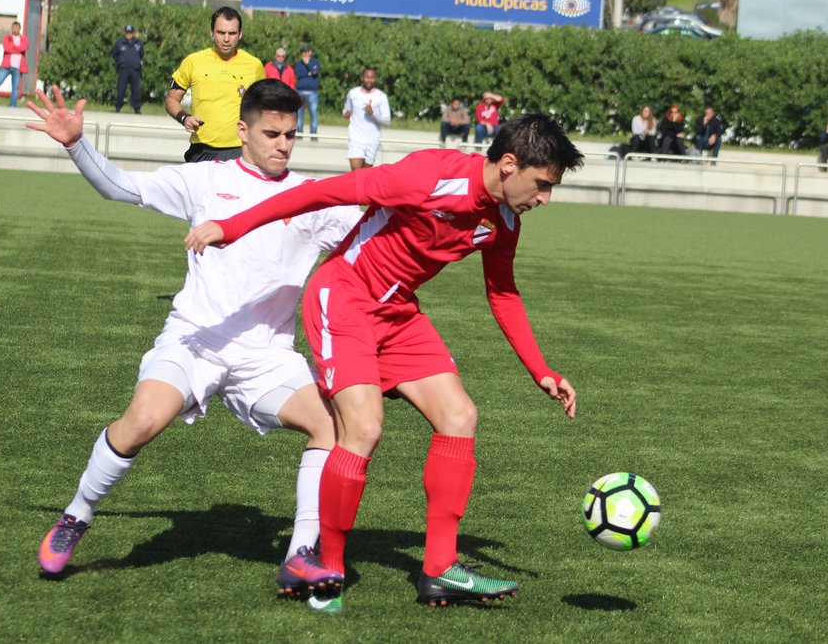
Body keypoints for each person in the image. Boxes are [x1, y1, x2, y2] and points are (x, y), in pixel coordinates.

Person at [184, 113, 583, 614]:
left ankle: (440, 569)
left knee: (460, 416)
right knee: (364, 427)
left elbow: (502, 292)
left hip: (398, 313)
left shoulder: (503, 221)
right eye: (542, 183)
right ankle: (325, 565)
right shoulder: (430, 176)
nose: (545, 198)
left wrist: (541, 370)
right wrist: (233, 225)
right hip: (344, 297)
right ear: (508, 164)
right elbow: (325, 193)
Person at [26, 79, 361, 594]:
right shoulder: (205, 179)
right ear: (242, 131)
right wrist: (76, 144)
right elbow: (121, 187)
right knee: (141, 422)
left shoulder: (312, 197)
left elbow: (374, 235)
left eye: (291, 135)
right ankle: (78, 513)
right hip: (196, 340)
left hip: (268, 357)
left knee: (333, 428)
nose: (283, 145)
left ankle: (300, 554)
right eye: (271, 134)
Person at [166, 6, 265, 163]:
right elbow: (171, 100)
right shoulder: (193, 62)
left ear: (240, 34)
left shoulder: (254, 66)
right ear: (211, 32)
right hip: (202, 151)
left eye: (232, 33)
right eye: (221, 32)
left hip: (240, 152)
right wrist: (185, 118)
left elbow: (263, 108)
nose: (226, 39)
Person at [343, 66, 390, 170]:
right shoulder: (353, 93)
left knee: (366, 173)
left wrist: (373, 114)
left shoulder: (381, 96)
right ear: (362, 78)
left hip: (372, 140)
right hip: (356, 138)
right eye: (367, 77)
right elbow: (346, 110)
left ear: (375, 79)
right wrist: (346, 114)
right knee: (356, 170)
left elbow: (387, 121)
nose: (369, 80)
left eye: (372, 78)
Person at [112, 25, 144, 114]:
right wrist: (120, 62)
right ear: (125, 33)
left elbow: (141, 54)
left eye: (130, 33)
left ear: (133, 33)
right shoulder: (119, 43)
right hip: (123, 70)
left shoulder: (138, 43)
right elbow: (114, 54)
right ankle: (118, 107)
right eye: (127, 33)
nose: (129, 34)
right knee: (121, 89)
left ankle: (137, 108)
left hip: (135, 70)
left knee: (136, 90)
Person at [294, 43, 320, 136]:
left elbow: (315, 72)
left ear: (311, 52)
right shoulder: (298, 63)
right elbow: (298, 74)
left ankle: (313, 135)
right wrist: (309, 73)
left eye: (307, 51)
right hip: (300, 92)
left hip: (312, 92)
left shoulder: (315, 62)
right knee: (299, 113)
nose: (305, 53)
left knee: (313, 113)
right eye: (303, 51)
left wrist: (308, 64)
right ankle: (300, 134)